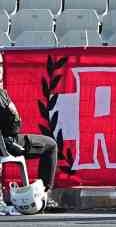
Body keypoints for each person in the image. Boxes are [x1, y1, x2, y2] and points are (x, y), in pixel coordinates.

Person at [0, 60, 56, 211]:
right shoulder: (0, 95)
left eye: (1, 64)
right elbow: (14, 126)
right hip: (8, 143)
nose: (1, 69)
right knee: (51, 145)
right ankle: (44, 195)